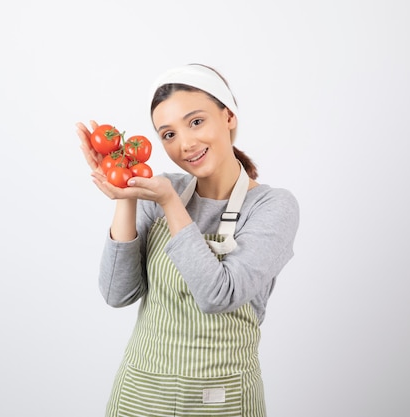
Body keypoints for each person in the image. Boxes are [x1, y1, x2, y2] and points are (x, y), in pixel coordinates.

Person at [76, 63, 300, 417]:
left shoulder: (273, 206)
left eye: (196, 122)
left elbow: (219, 294)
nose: (186, 144)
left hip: (223, 399)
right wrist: (126, 195)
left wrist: (169, 204)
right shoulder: (164, 188)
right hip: (140, 396)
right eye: (168, 135)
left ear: (228, 117)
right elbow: (116, 293)